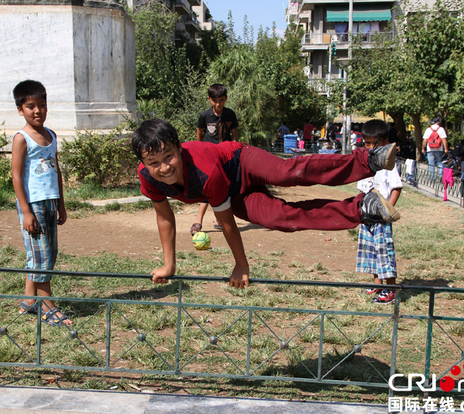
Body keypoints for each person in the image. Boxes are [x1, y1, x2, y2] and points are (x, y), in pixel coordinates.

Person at [132, 118, 401, 289]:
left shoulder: (204, 171)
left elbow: (226, 224)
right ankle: (363, 208)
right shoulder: (148, 178)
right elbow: (165, 217)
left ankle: (369, 159)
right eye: (154, 162)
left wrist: (241, 264)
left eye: (169, 156)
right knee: (281, 219)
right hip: (235, 194)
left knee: (287, 173)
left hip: (241, 162)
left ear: (179, 148)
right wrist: (169, 265)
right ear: (144, 164)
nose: (164, 167)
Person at [11, 80, 72, 327]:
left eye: (42, 105)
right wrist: (26, 212)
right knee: (43, 257)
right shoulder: (21, 138)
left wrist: (61, 203)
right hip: (33, 205)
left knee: (43, 253)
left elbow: (56, 170)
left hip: (50, 202)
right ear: (20, 109)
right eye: (30, 106)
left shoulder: (51, 135)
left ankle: (29, 302)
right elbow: (16, 177)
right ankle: (49, 309)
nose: (37, 111)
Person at [356, 120, 403, 304]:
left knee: (384, 253)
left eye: (371, 143)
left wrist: (387, 211)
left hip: (381, 218)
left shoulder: (387, 164)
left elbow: (396, 187)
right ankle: (377, 283)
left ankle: (390, 289)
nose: (368, 147)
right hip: (367, 216)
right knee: (371, 252)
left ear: (382, 142)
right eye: (365, 143)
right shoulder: (367, 163)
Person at [192, 84, 239, 235]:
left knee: (224, 188)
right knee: (208, 188)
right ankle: (198, 221)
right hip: (209, 157)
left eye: (221, 100)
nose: (218, 104)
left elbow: (234, 135)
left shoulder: (230, 115)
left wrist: (236, 152)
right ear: (209, 99)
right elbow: (199, 133)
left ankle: (220, 220)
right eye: (214, 100)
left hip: (226, 157)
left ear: (226, 99)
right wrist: (199, 152)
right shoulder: (204, 116)